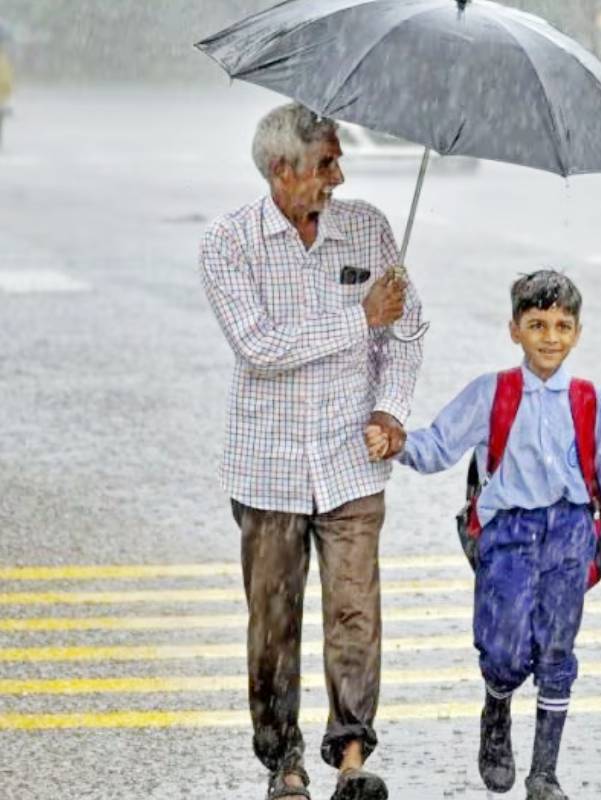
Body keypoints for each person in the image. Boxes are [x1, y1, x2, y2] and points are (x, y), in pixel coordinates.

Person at [365, 270, 601, 800]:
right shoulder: (492, 393)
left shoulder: (589, 402)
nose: (551, 337)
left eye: (563, 326)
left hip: (571, 534)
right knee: (503, 649)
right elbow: (438, 445)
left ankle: (544, 773)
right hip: (507, 536)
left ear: (578, 333)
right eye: (537, 324)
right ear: (514, 330)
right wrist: (396, 442)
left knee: (556, 650)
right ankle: (496, 705)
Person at [199, 102, 423, 800]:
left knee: (356, 612)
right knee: (273, 621)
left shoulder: (369, 228)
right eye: (326, 162)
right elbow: (261, 348)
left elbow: (407, 335)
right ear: (281, 170)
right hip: (267, 468)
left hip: (352, 461)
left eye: (337, 159)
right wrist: (357, 317)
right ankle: (284, 760)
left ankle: (353, 754)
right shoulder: (229, 244)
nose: (339, 174)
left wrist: (390, 408)